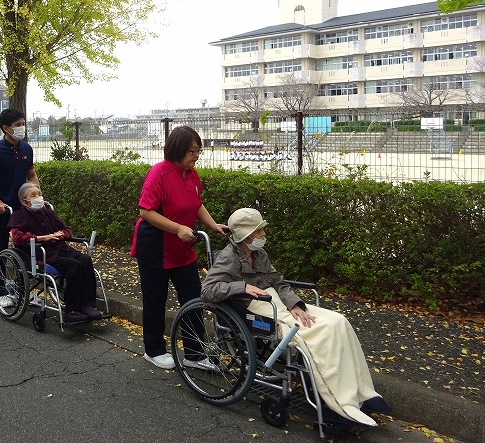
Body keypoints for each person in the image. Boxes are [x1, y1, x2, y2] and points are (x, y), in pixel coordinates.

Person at [201, 207, 391, 427]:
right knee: (318, 332)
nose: (264, 235)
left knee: (339, 321)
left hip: (276, 301)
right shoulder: (228, 258)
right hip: (254, 307)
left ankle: (362, 392)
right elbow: (207, 291)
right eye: (260, 231)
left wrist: (295, 304)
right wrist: (241, 286)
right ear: (247, 235)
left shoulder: (259, 253)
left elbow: (278, 281)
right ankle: (337, 403)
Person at [131, 125, 230, 370]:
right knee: (156, 299)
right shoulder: (159, 173)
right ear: (177, 150)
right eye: (192, 151)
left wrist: (212, 224)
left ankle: (195, 354)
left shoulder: (192, 174)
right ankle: (153, 350)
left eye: (198, 151)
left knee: (193, 298)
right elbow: (146, 211)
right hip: (155, 245)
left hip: (183, 247)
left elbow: (196, 204)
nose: (196, 156)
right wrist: (177, 228)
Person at [7, 182, 102, 322]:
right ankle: (72, 309)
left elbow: (67, 230)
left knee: (85, 260)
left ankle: (87, 305)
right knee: (74, 265)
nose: (38, 198)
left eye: (39, 194)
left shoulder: (48, 212)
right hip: (40, 253)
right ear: (23, 200)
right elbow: (18, 238)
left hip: (60, 248)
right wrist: (44, 237)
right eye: (33, 195)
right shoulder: (19, 216)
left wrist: (61, 234)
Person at [0, 108, 39, 259]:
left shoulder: (26, 148)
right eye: (18, 124)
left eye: (24, 124)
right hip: (1, 209)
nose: (22, 128)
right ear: (6, 128)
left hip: (22, 208)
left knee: (25, 247)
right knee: (0, 249)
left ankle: (21, 281)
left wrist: (37, 196)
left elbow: (31, 175)